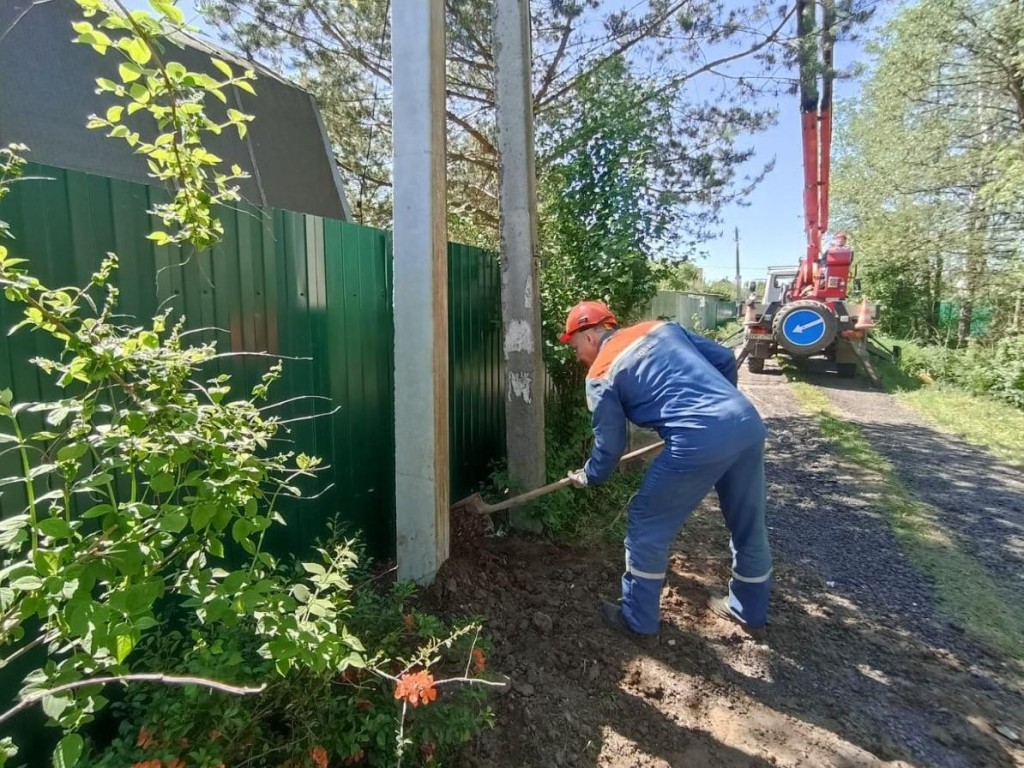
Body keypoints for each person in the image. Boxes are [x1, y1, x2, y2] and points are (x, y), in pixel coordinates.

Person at [559, 300, 771, 643]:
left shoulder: (600, 372)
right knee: (748, 523)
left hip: (697, 438)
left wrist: (590, 475)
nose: (576, 355)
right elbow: (723, 358)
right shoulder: (659, 328)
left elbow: (610, 447)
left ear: (588, 335)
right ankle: (750, 611)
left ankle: (638, 622)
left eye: (573, 346)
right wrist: (718, 410)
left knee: (646, 523)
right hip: (745, 423)